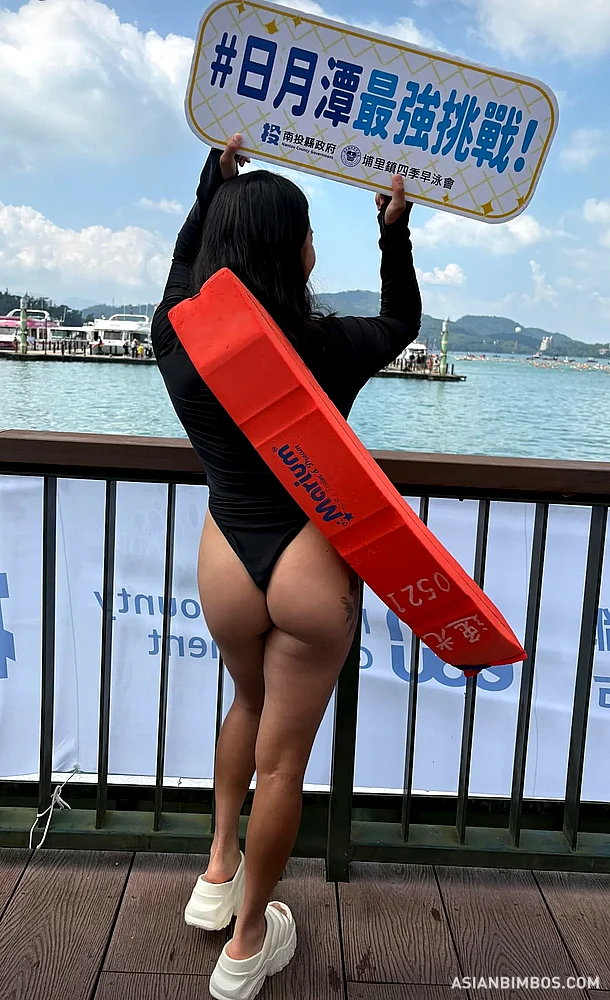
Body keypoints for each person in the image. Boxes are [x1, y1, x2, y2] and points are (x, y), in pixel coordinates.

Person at [152, 134, 421, 1000]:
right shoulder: (329, 345)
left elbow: (180, 276)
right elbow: (404, 322)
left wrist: (209, 189)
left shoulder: (178, 341)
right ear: (294, 251)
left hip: (227, 557)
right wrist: (393, 232)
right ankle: (246, 945)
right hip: (312, 562)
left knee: (246, 702)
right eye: (307, 234)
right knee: (284, 766)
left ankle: (217, 868)